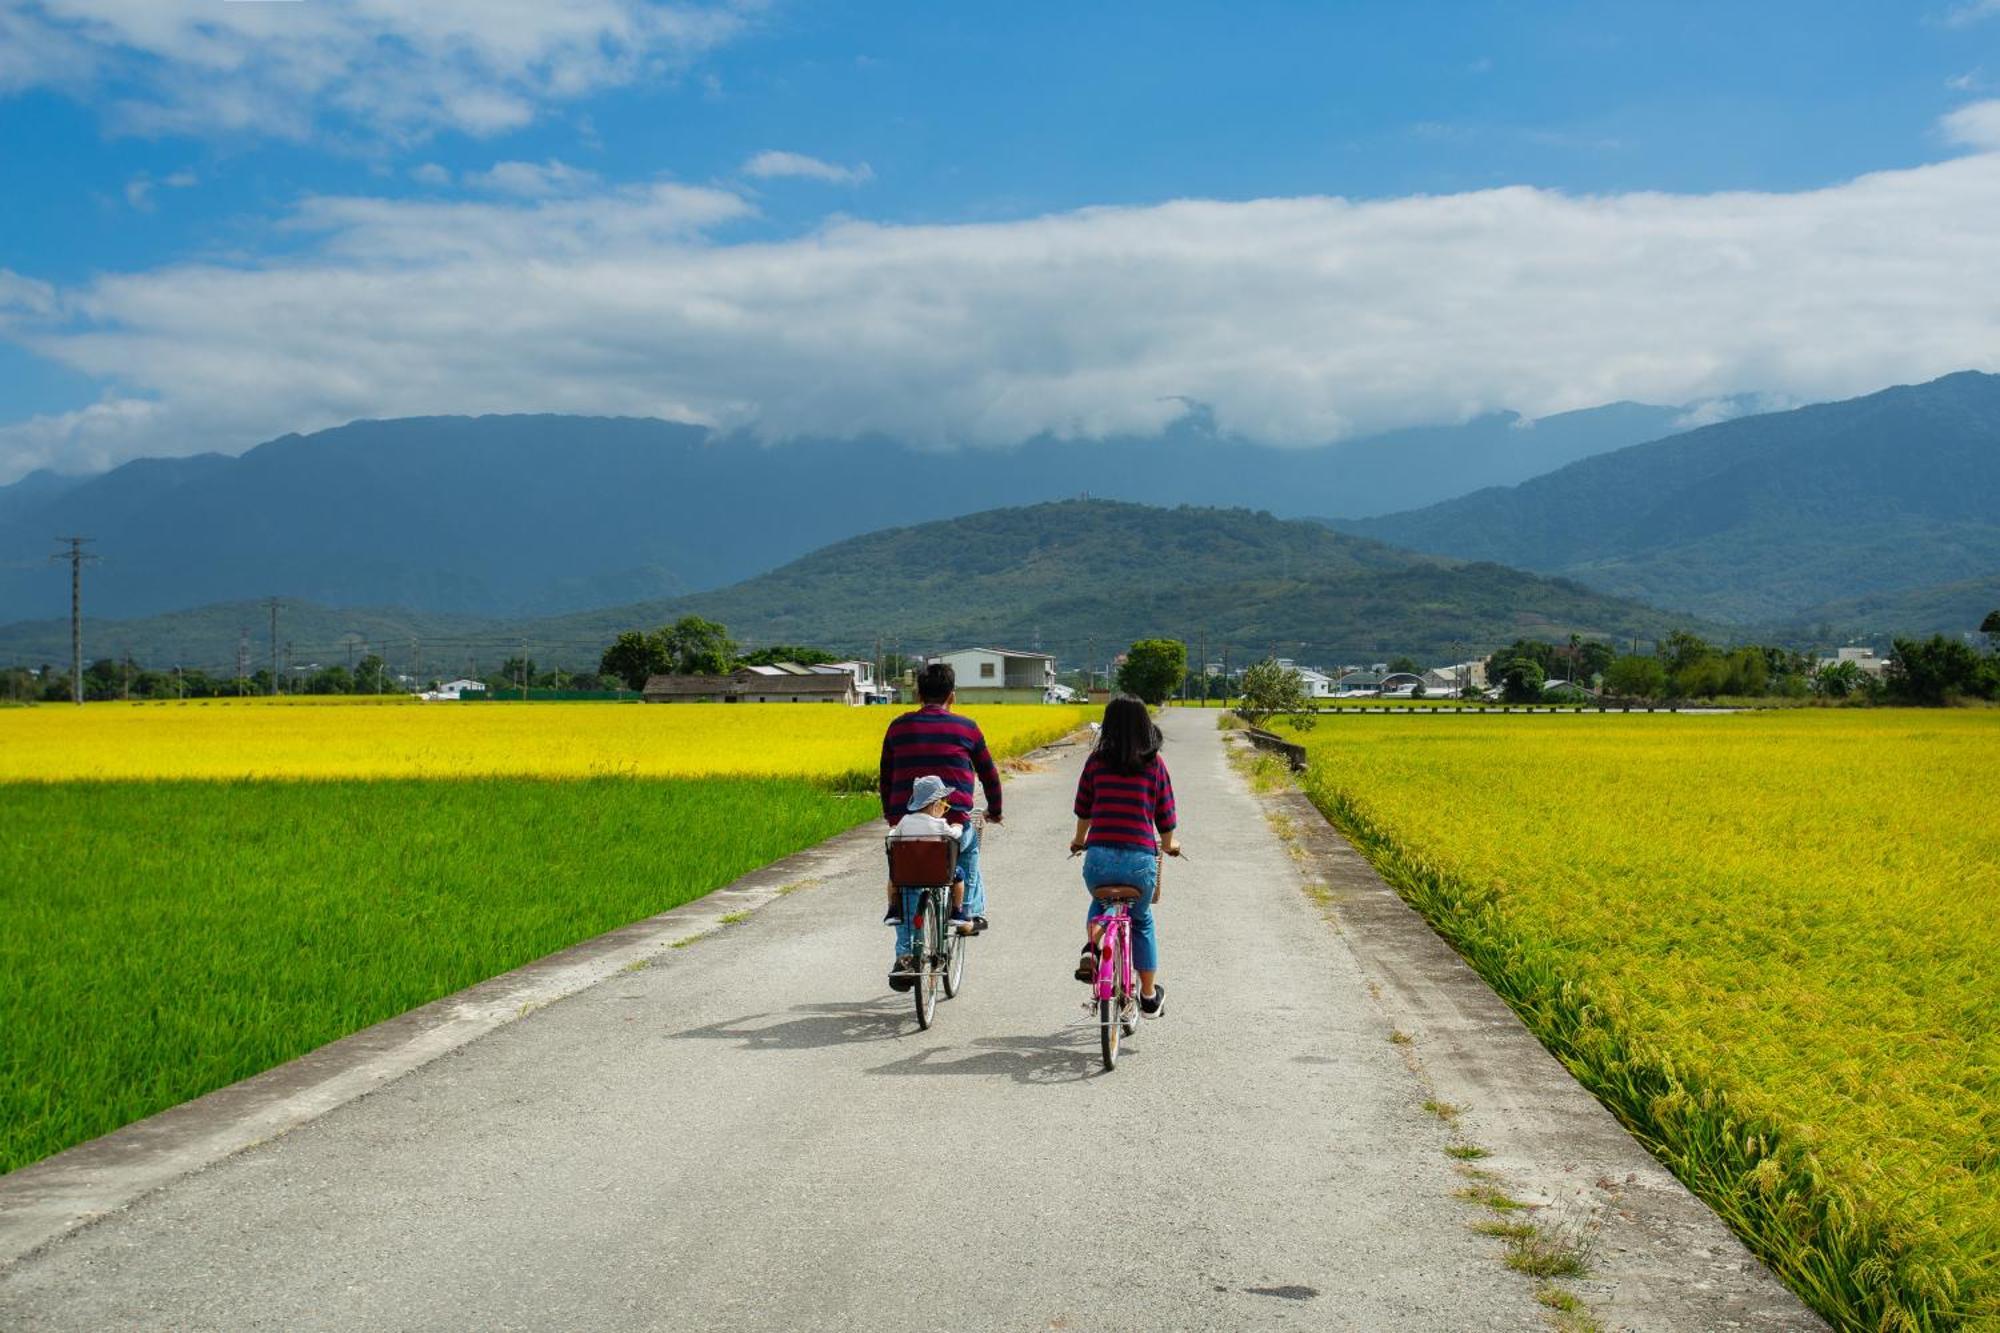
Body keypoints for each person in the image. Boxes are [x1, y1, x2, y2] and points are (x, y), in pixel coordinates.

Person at [879, 662, 1003, 989]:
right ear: (953, 696)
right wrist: (996, 810)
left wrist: (893, 817)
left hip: (906, 826)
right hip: (952, 822)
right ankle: (968, 914)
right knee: (967, 849)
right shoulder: (968, 728)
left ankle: (906, 955)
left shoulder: (897, 727)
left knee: (906, 882)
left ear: (918, 694)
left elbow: (886, 777)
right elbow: (989, 774)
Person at [1068, 695, 1180, 1017]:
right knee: (1141, 919)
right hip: (1139, 861)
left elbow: (1083, 808)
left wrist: (1078, 841)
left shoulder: (1095, 761)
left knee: (1101, 903)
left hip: (1099, 858)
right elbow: (1166, 815)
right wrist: (1170, 844)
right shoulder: (1154, 763)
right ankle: (1147, 996)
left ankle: (1093, 947)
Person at [883, 773, 974, 933]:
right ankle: (956, 911)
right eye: (944, 804)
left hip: (907, 874)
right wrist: (958, 827)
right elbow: (955, 836)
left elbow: (893, 837)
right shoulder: (940, 824)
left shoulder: (905, 821)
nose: (945, 808)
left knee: (893, 876)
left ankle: (893, 909)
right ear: (935, 805)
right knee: (959, 876)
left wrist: (892, 833)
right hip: (938, 874)